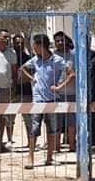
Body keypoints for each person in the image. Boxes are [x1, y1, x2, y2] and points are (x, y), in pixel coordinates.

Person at [20, 34, 74, 167]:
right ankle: (30, 158)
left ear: (40, 46)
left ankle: (49, 157)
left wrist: (59, 87)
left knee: (52, 129)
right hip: (38, 100)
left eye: (34, 45)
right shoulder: (35, 60)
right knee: (34, 129)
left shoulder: (57, 60)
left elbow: (72, 74)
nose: (33, 48)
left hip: (52, 99)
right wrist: (32, 78)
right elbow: (22, 69)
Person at [6, 33, 32, 144]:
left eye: (21, 43)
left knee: (28, 119)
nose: (19, 45)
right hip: (12, 92)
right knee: (10, 118)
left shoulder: (28, 58)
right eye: (17, 43)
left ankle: (30, 141)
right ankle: (9, 139)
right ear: (13, 44)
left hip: (26, 92)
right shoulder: (8, 57)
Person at [53, 31, 77, 152]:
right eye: (57, 41)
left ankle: (72, 145)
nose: (60, 43)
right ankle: (57, 146)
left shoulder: (73, 55)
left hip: (72, 92)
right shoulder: (52, 56)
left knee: (72, 122)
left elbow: (75, 74)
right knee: (57, 121)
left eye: (62, 40)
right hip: (57, 94)